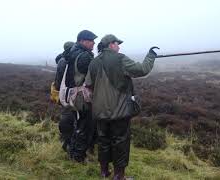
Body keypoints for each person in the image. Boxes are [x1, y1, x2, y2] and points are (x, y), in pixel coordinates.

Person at [85, 34, 158, 179]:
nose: (119, 47)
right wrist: (151, 55)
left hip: (99, 112)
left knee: (103, 141)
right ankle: (119, 176)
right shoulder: (120, 59)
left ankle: (104, 172)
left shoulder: (93, 62)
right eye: (117, 44)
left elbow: (88, 84)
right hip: (119, 111)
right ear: (111, 45)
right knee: (121, 142)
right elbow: (142, 69)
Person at [65, 30, 97, 162]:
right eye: (91, 40)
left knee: (78, 124)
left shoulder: (73, 52)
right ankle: (78, 157)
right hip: (82, 97)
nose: (93, 43)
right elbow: (93, 77)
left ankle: (73, 153)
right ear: (82, 41)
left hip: (74, 95)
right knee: (84, 126)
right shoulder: (84, 56)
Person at [53, 41, 76, 152]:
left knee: (66, 116)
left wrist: (57, 90)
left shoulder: (61, 60)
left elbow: (57, 80)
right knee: (71, 117)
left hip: (63, 93)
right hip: (70, 93)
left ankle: (65, 139)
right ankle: (68, 142)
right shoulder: (66, 60)